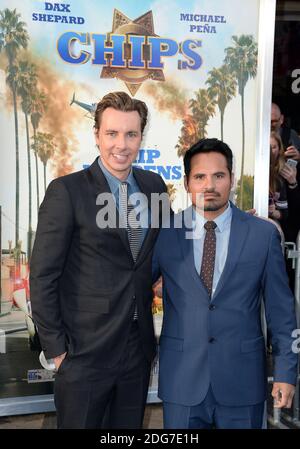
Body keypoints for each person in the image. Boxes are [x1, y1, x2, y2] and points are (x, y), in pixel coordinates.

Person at [30, 91, 167, 429]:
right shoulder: (67, 191)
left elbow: (171, 241)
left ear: (141, 136)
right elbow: (43, 276)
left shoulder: (154, 186)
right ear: (96, 135)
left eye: (131, 134)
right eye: (112, 133)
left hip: (138, 350)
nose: (121, 144)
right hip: (83, 355)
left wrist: (229, 223)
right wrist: (58, 352)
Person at [152, 138, 297, 429]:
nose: (210, 185)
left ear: (231, 179)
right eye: (200, 177)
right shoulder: (165, 234)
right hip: (182, 381)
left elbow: (281, 313)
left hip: (243, 381)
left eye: (219, 175)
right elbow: (133, 288)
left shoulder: (261, 235)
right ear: (187, 183)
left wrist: (285, 373)